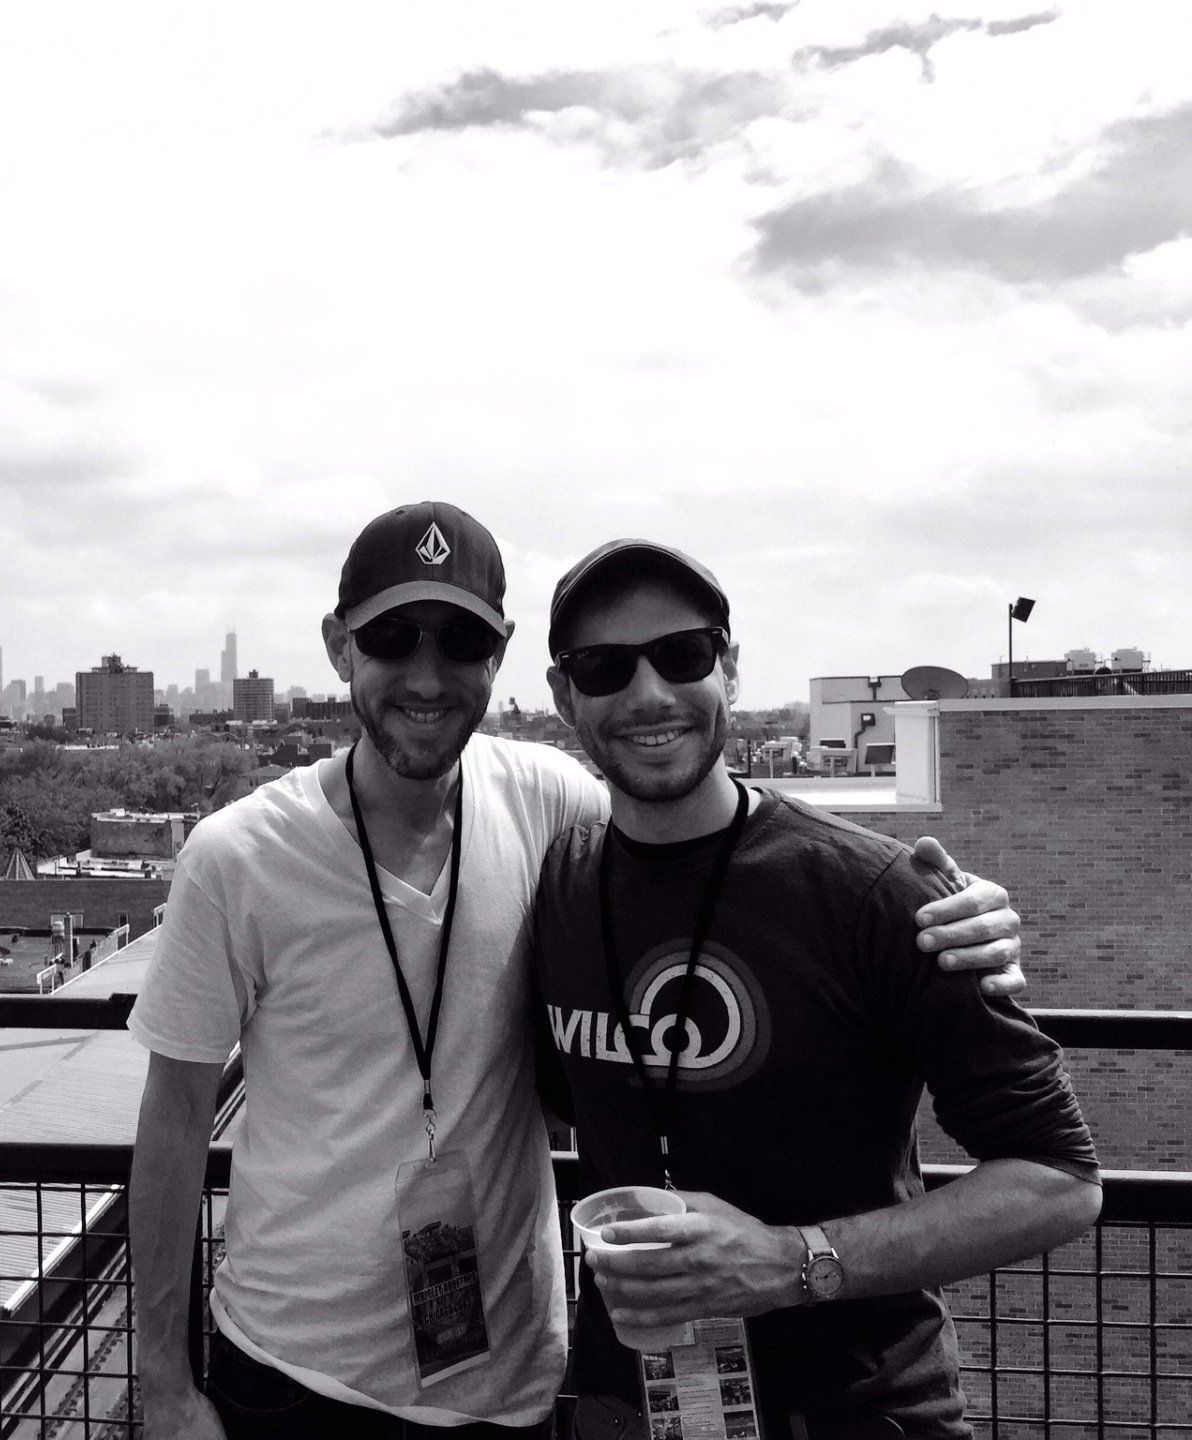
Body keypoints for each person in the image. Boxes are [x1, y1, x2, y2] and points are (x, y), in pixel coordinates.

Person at [128, 503, 1024, 1440]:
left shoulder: (549, 802)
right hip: (294, 1372)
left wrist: (926, 894)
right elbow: (176, 1118)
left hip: (512, 1378)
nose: (428, 675)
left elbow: (697, 813)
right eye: (392, 637)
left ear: (502, 655)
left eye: (463, 641)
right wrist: (164, 1384)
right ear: (338, 646)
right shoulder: (236, 857)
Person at [533, 540, 1099, 1440]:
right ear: (565, 699)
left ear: (730, 666)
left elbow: (1059, 1181)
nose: (647, 696)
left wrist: (790, 1262)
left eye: (681, 655)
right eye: (604, 668)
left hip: (852, 1407)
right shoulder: (560, 882)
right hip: (629, 1404)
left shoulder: (873, 893)